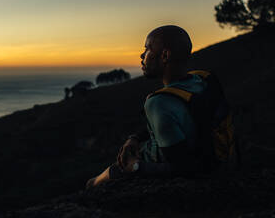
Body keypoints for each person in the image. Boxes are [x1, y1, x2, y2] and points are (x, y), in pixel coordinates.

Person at [86, 25, 210, 189]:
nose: (142, 55)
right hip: (212, 155)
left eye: (147, 49)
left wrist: (135, 167)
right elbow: (178, 120)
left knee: (92, 184)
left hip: (162, 167)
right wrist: (135, 138)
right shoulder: (201, 80)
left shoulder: (158, 103)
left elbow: (184, 169)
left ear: (165, 55)